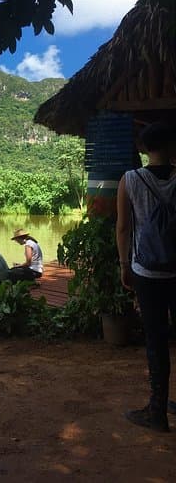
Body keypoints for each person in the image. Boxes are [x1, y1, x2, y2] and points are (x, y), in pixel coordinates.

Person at [116, 121, 176, 433]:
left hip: (147, 271)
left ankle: (157, 410)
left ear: (145, 148)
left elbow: (124, 227)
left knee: (156, 340)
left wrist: (124, 264)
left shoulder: (131, 179)